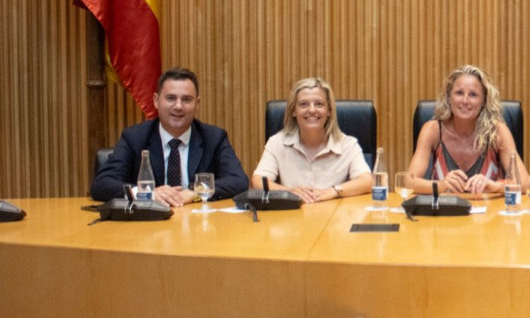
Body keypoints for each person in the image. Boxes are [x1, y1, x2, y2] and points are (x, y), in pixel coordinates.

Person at [90, 67, 249, 206]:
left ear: (197, 104)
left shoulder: (214, 138)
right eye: (171, 98)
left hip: (198, 229)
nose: (178, 106)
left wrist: (195, 193)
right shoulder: (135, 137)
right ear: (156, 101)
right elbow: (102, 184)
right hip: (147, 231)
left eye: (186, 99)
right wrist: (147, 193)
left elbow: (239, 181)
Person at [406, 64, 529, 197]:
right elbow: (408, 182)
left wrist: (495, 186)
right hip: (444, 215)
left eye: (473, 95)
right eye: (459, 93)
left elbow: (525, 183)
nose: (465, 101)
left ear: (484, 101)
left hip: (490, 215)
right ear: (449, 98)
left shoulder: (497, 132)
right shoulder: (433, 130)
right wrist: (441, 185)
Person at [250, 77, 372, 203]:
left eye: (319, 104)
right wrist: (288, 192)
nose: (312, 110)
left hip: (334, 218)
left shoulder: (347, 145)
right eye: (304, 104)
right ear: (293, 111)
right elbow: (257, 182)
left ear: (329, 110)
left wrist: (334, 190)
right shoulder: (276, 143)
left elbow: (368, 181)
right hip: (292, 218)